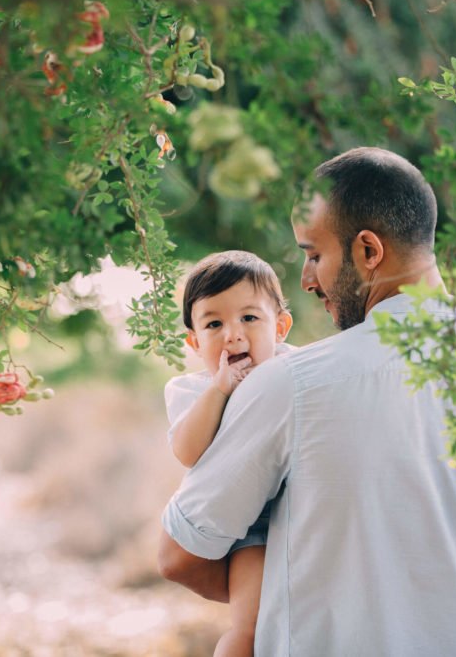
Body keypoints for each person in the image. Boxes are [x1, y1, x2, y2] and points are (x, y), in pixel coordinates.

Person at [158, 147, 456, 655]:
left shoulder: (292, 385)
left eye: (313, 255)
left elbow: (180, 556)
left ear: (368, 251)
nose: (306, 280)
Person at [164, 250, 293, 657]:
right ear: (194, 340)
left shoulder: (295, 368)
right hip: (248, 525)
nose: (233, 334)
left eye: (250, 318)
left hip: (306, 511)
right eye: (214, 323)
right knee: (251, 627)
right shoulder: (191, 389)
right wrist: (219, 389)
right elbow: (187, 452)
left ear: (281, 327)